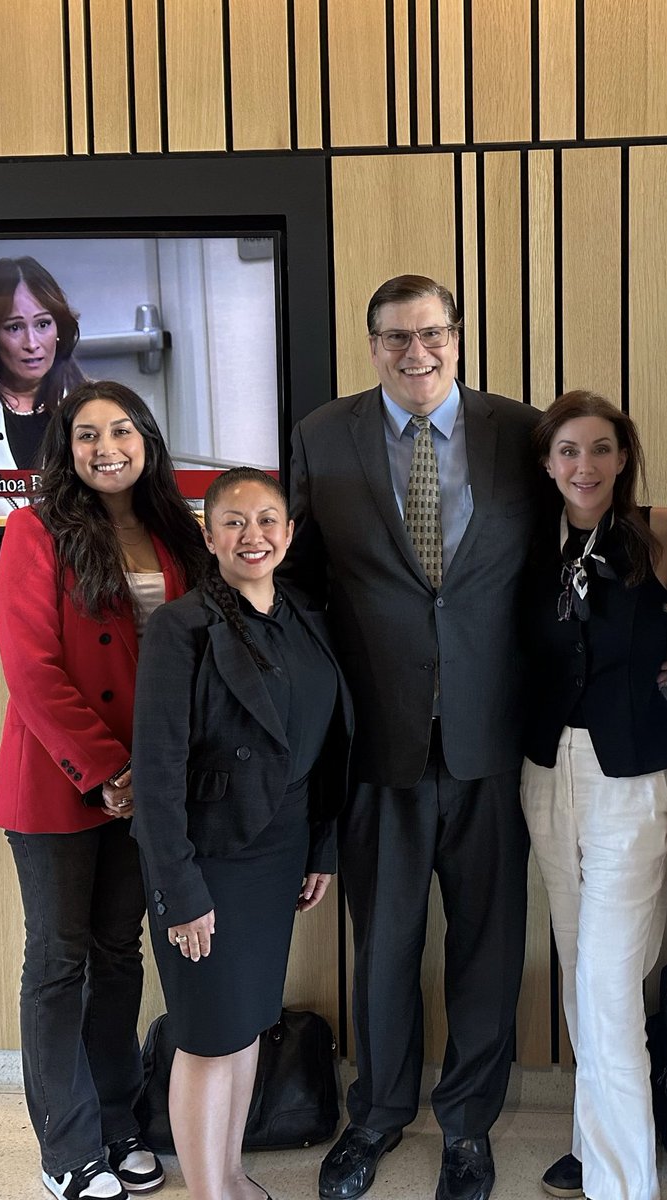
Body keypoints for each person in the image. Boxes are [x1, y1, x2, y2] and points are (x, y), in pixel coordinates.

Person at [280, 274, 541, 1200]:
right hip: (376, 746)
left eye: (430, 333)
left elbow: (557, 563)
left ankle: (467, 1128)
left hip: (490, 743)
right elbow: (300, 584)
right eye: (395, 337)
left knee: (485, 947)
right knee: (383, 947)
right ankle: (379, 1117)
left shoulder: (521, 432)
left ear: (458, 336)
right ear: (371, 344)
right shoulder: (322, 435)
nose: (415, 353)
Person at [0, 379, 206, 1200]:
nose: (105, 447)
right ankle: (66, 1150)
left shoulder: (174, 532)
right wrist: (106, 772)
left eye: (120, 430)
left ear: (146, 439)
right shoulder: (35, 531)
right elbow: (33, 672)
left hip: (146, 784)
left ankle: (118, 1124)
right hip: (60, 783)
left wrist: (150, 778)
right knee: (57, 959)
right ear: (64, 448)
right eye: (86, 434)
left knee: (119, 956)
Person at [130, 466, 352, 1200]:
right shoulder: (180, 626)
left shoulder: (306, 618)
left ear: (288, 533)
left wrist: (320, 848)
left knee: (249, 1023)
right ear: (209, 533)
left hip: (281, 851)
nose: (251, 535)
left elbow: (322, 748)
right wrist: (180, 891)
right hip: (209, 859)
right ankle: (206, 1192)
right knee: (205, 1035)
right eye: (233, 521)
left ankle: (227, 1172)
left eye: (266, 520)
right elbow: (155, 773)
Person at [520, 390, 667, 1200]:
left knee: (608, 986)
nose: (585, 466)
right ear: (546, 464)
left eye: (600, 449)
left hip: (633, 782)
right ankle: (593, 1140)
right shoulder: (528, 550)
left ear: (622, 456)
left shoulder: (656, 534)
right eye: (568, 451)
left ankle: (623, 1184)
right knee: (581, 970)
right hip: (544, 775)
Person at [0, 255, 85, 515]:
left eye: (43, 324)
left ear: (59, 329)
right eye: (14, 328)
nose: (32, 343)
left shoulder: (92, 409)